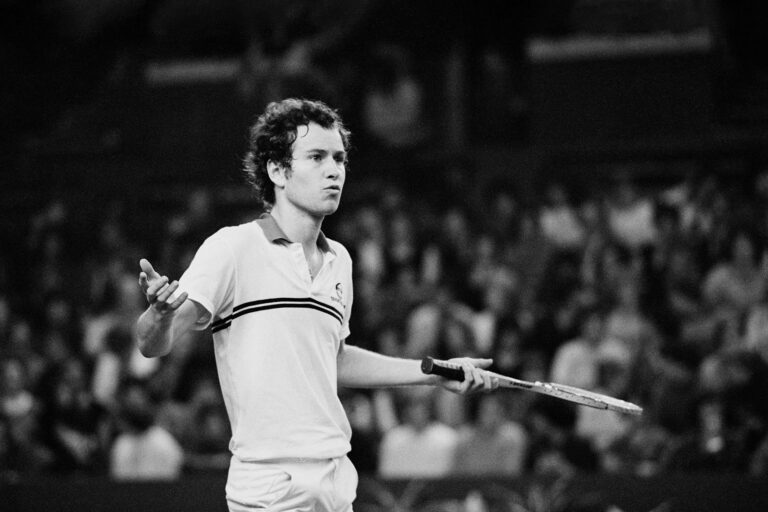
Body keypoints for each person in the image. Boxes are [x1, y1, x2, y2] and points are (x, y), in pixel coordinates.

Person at [136, 98, 497, 512]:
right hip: (271, 483)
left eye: (339, 158)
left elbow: (335, 359)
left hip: (335, 477)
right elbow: (153, 344)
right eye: (316, 157)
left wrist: (435, 373)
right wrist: (158, 315)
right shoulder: (233, 248)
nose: (334, 170)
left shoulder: (340, 260)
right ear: (277, 170)